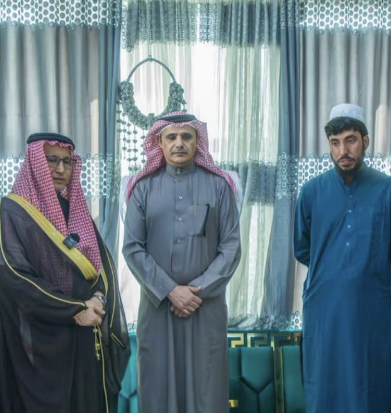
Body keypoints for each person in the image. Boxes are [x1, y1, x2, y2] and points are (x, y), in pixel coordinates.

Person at [0, 132, 130, 413]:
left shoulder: (75, 209)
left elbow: (100, 266)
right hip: (40, 338)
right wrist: (73, 309)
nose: (60, 169)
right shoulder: (13, 211)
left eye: (67, 162)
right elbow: (14, 275)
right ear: (34, 163)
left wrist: (98, 299)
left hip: (86, 329)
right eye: (51, 160)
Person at [122, 112, 241, 413]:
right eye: (171, 137)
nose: (179, 143)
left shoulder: (219, 186)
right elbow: (132, 248)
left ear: (197, 142)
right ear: (159, 143)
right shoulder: (142, 188)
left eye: (186, 136)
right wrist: (170, 291)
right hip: (158, 309)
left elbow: (231, 247)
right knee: (158, 390)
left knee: (207, 391)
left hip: (206, 309)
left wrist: (197, 290)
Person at [293, 103, 391, 413]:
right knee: (325, 382)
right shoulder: (311, 192)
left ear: (365, 142)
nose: (343, 150)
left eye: (350, 140)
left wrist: (362, 272)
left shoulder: (389, 191)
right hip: (325, 307)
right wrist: (334, 271)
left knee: (371, 382)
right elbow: (302, 247)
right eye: (335, 142)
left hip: (372, 306)